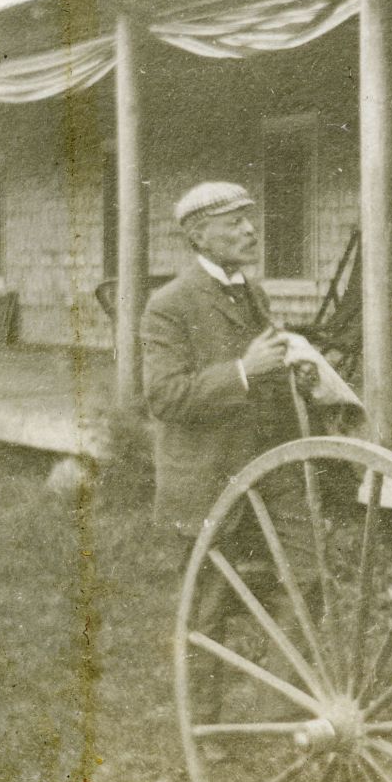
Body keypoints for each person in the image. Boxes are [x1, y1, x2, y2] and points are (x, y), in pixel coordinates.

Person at [142, 182, 300, 724]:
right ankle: (203, 724)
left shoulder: (252, 293)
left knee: (299, 586)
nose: (250, 231)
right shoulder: (169, 305)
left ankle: (292, 715)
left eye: (249, 219)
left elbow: (264, 373)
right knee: (208, 606)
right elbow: (165, 396)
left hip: (265, 471)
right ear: (197, 235)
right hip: (208, 478)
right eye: (233, 222)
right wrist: (242, 372)